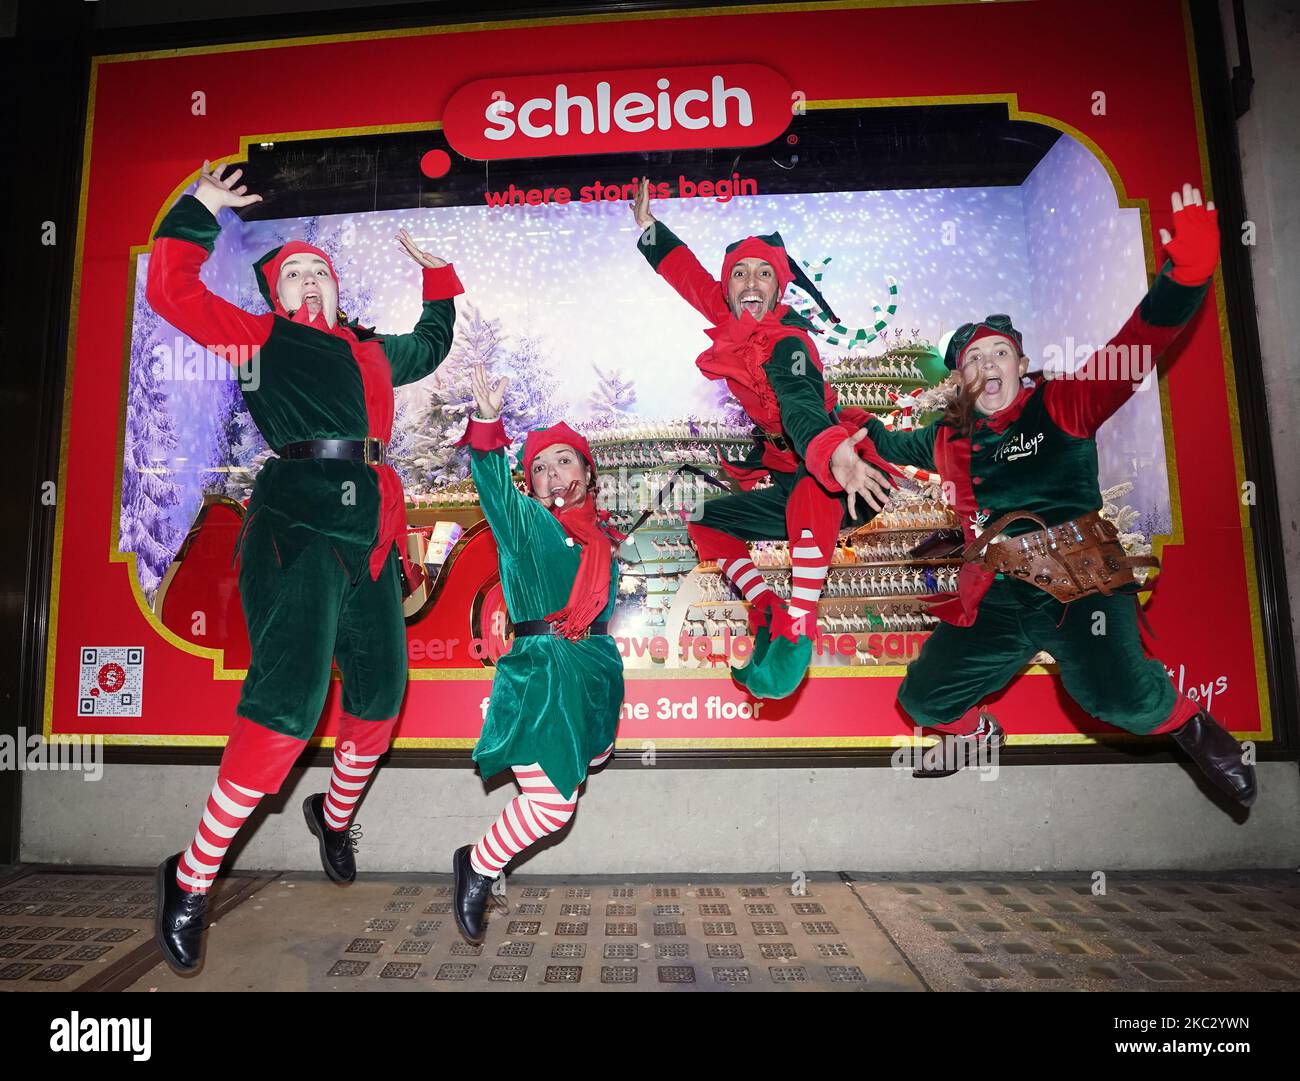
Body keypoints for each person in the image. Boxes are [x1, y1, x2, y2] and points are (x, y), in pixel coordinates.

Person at [146, 162, 464, 973]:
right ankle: (190, 878)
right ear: (277, 294)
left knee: (382, 695)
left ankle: (334, 813)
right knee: (290, 699)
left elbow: (430, 344)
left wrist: (436, 275)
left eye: (318, 270)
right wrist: (200, 210)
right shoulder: (260, 339)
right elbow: (171, 294)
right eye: (294, 273)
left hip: (372, 532)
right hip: (295, 516)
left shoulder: (367, 351)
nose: (310, 280)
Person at [863, 183, 1255, 803]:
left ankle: (1192, 727)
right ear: (961, 379)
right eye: (974, 359)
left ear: (1020, 364)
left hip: (1081, 583)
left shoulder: (1063, 405)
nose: (988, 365)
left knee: (1114, 697)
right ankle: (978, 735)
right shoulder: (948, 439)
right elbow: (878, 444)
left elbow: (1134, 351)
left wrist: (1188, 275)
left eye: (1000, 353)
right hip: (996, 596)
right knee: (922, 697)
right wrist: (820, 430)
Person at [631, 178, 896, 699]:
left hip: (841, 474)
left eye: (764, 274)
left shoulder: (789, 343)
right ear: (729, 289)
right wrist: (651, 231)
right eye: (740, 275)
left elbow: (800, 405)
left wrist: (829, 453)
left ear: (780, 289)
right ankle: (765, 607)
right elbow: (691, 280)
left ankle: (799, 624)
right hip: (790, 469)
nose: (750, 283)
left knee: (807, 490)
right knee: (704, 519)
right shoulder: (732, 318)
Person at [450, 363, 623, 943]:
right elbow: (494, 485)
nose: (551, 474)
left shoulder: (600, 538)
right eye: (540, 468)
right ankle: (476, 866)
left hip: (589, 677)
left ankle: (480, 863)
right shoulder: (524, 522)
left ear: (587, 470)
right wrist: (487, 421)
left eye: (563, 461)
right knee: (552, 808)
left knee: (569, 786)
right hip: (541, 675)